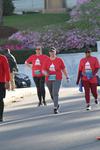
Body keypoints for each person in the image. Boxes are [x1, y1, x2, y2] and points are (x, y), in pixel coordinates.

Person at [42, 47, 69, 114]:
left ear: (55, 52)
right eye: (51, 52)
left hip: (57, 78)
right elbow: (43, 69)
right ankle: (56, 103)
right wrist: (45, 73)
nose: (52, 53)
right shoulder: (46, 60)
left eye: (53, 52)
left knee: (55, 92)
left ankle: (55, 108)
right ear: (49, 53)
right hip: (48, 79)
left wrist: (67, 76)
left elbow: (63, 69)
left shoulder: (59, 60)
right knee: (51, 93)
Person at [0, 53, 10, 122]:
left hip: (1, 82)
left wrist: (7, 81)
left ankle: (0, 117)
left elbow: (7, 69)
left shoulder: (2, 58)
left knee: (0, 99)